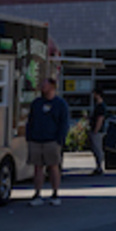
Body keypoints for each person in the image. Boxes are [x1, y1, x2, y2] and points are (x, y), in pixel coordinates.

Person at [26, 77, 70, 206]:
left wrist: (60, 140)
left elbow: (64, 123)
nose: (42, 86)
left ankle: (55, 193)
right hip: (36, 140)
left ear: (52, 86)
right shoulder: (37, 103)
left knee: (53, 167)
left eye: (44, 84)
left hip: (52, 140)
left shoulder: (60, 104)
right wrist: (29, 137)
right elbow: (31, 120)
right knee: (37, 168)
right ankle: (37, 194)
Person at [88, 88, 108, 175]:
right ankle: (98, 166)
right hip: (96, 130)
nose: (93, 96)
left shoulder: (100, 106)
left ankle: (99, 167)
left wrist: (96, 129)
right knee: (95, 148)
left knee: (97, 149)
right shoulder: (98, 105)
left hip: (98, 131)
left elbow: (100, 118)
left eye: (94, 94)